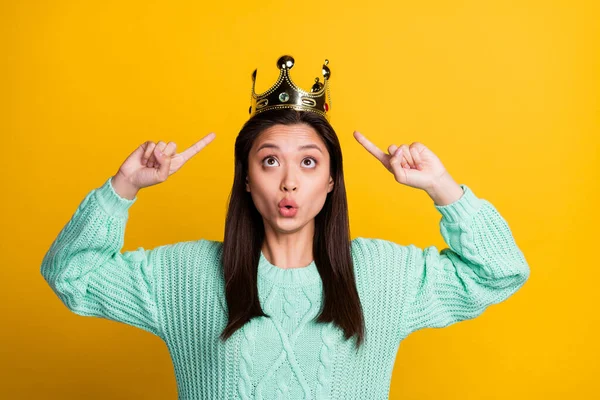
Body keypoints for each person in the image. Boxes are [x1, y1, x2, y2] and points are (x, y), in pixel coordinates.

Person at [40, 55, 530, 399]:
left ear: (333, 181)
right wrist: (123, 186)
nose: (290, 182)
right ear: (248, 181)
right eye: (270, 160)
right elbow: (71, 275)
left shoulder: (383, 276)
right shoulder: (185, 275)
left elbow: (500, 271)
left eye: (310, 162)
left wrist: (441, 186)